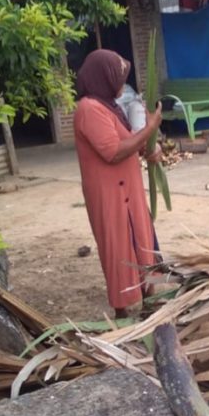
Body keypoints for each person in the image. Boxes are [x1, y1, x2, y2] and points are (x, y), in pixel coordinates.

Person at [73, 49, 163, 319]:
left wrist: (150, 146)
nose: (123, 85)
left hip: (128, 190)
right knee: (117, 246)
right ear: (103, 78)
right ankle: (122, 311)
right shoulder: (89, 109)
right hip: (110, 193)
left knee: (140, 241)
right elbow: (113, 151)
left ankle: (149, 301)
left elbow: (127, 142)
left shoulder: (107, 106)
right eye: (119, 78)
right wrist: (149, 129)